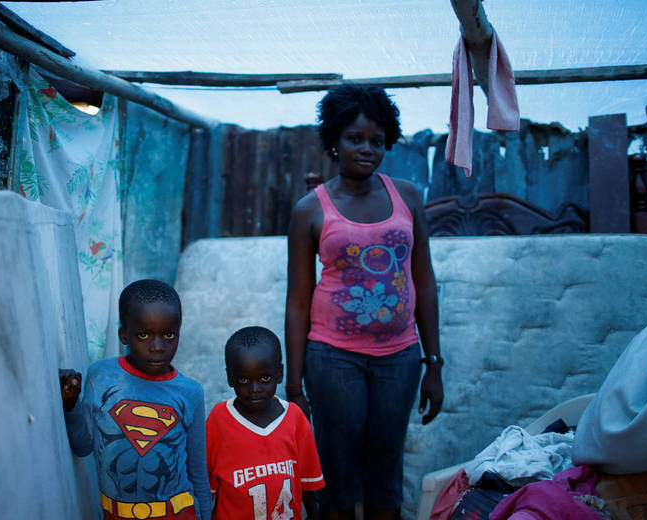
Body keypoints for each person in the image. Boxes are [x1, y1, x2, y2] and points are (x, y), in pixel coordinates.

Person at [285, 84, 444, 520]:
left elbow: (424, 281)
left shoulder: (408, 197)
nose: (367, 149)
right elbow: (298, 300)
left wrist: (433, 363)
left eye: (377, 141)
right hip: (333, 358)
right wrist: (294, 386)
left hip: (400, 358)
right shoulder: (309, 210)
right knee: (338, 472)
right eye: (356, 139)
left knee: (386, 469)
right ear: (334, 141)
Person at [60, 279, 212, 520]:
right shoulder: (101, 376)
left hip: (178, 513)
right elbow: (83, 445)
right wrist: (70, 404)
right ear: (123, 335)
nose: (158, 347)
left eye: (169, 334)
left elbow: (199, 475)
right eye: (143, 335)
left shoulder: (190, 392)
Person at [206, 326, 324, 520]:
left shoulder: (294, 418)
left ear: (280, 374)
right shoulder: (219, 419)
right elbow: (205, 488)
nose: (255, 389)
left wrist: (313, 514)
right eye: (243, 380)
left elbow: (308, 481)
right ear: (229, 378)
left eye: (265, 378)